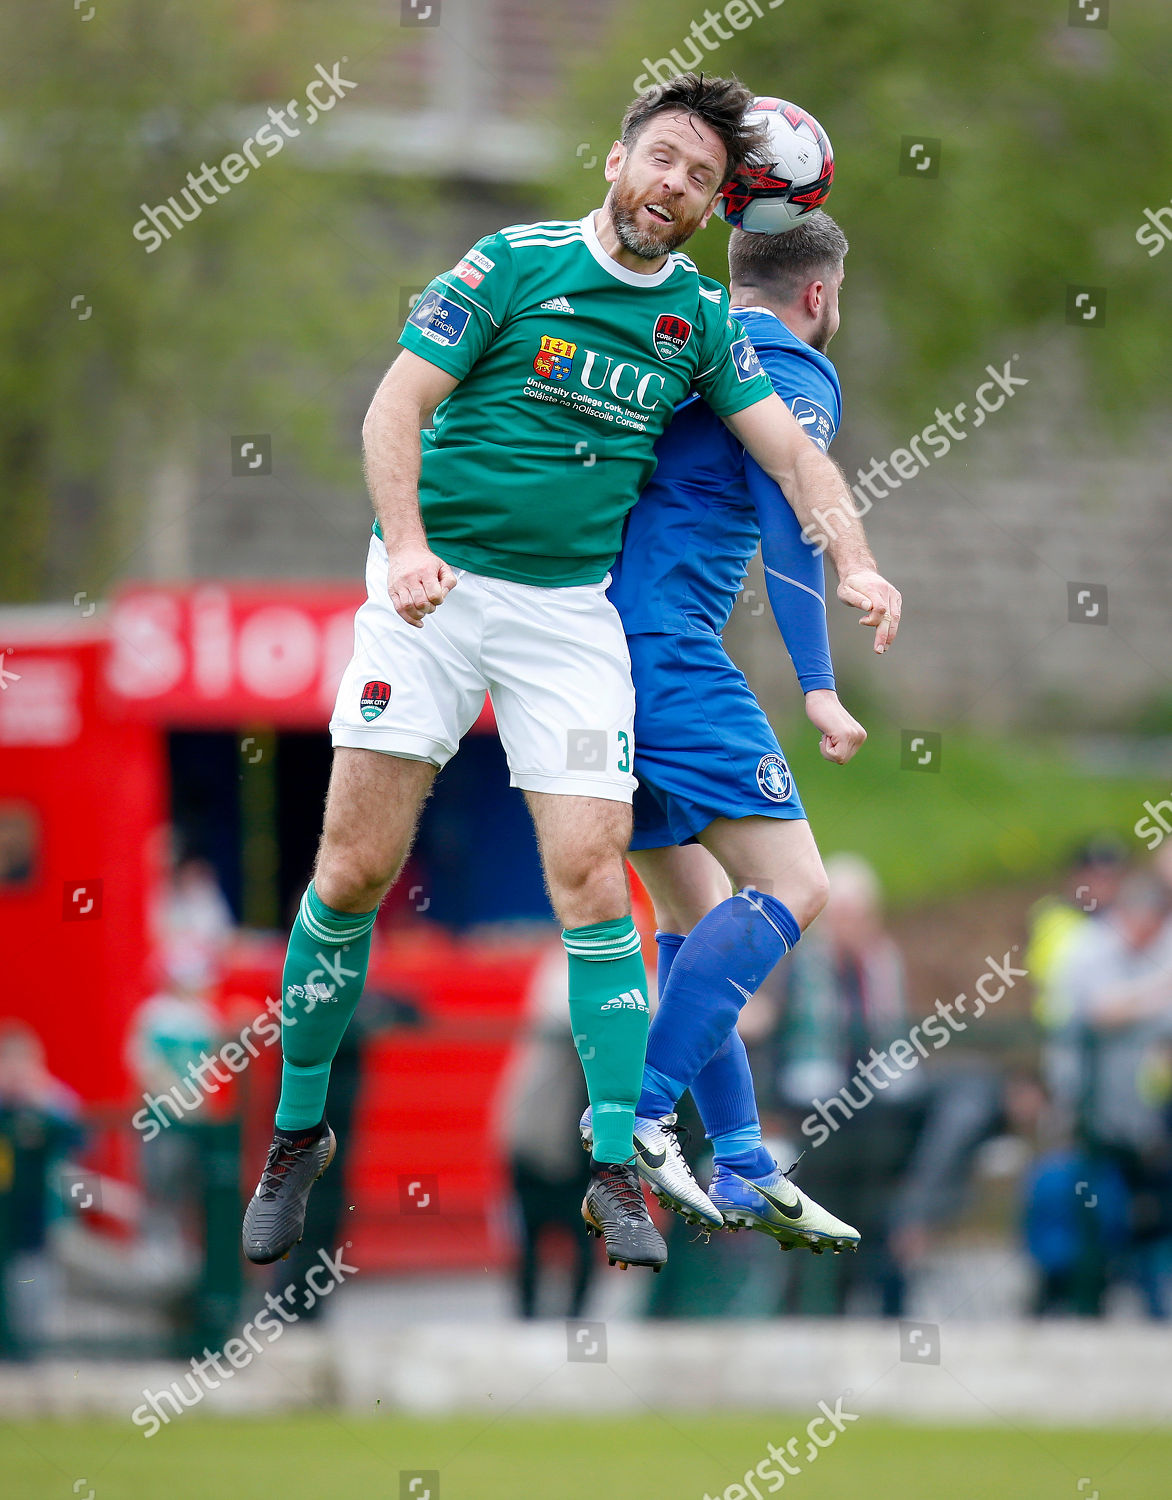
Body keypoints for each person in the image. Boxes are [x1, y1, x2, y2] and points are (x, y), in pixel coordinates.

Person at [242, 73, 900, 1275]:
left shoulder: (698, 324)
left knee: (598, 881)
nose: (674, 186)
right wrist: (412, 546)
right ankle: (296, 1132)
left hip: (566, 616)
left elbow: (794, 466)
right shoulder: (509, 262)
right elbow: (391, 412)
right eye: (660, 160)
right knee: (353, 869)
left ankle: (618, 1161)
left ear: (717, 208)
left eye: (700, 178)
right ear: (614, 161)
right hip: (428, 587)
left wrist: (855, 562)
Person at [580, 213, 895, 1253]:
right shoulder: (790, 364)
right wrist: (816, 685)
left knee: (694, 910)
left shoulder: (689, 328)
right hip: (667, 649)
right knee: (796, 886)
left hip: (593, 656)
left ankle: (745, 1160)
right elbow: (791, 511)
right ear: (817, 293)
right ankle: (630, 1122)